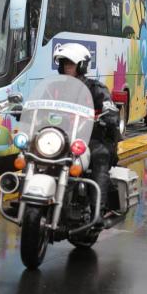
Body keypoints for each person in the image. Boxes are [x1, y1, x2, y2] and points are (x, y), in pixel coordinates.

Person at [53, 43, 120, 223]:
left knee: (99, 155)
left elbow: (109, 105)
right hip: (61, 136)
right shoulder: (55, 87)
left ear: (81, 66)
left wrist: (109, 114)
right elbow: (40, 104)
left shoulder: (95, 88)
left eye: (71, 64)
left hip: (89, 137)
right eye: (64, 64)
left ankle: (97, 209)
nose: (67, 67)